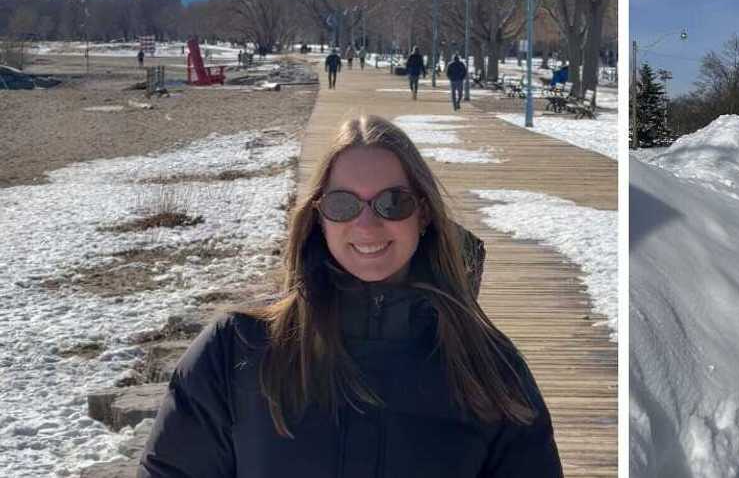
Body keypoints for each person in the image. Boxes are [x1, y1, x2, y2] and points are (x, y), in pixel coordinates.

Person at [139, 115, 561, 476]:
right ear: (319, 216)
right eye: (343, 204)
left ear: (425, 213)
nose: (366, 225)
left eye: (392, 202)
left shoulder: (488, 366)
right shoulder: (235, 351)